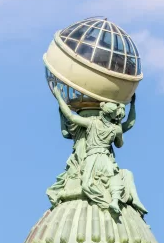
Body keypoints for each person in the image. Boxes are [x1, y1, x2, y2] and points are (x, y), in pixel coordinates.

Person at [50, 87, 146, 215]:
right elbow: (128, 127)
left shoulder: (92, 123)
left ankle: (64, 194)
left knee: (87, 185)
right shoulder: (115, 129)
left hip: (91, 158)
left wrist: (59, 97)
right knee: (114, 178)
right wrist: (132, 105)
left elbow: (70, 117)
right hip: (105, 158)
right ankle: (117, 200)